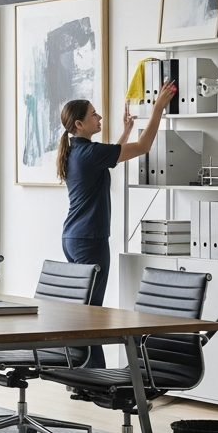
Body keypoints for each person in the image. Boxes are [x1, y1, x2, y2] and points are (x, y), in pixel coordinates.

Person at [55, 81, 176, 367]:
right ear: (79, 123)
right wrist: (158, 107)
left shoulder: (78, 151)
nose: (99, 118)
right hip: (89, 240)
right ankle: (92, 376)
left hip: (74, 238)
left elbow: (112, 156)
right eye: (94, 115)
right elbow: (145, 146)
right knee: (90, 311)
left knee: (85, 308)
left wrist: (126, 130)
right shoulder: (88, 153)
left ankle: (83, 375)